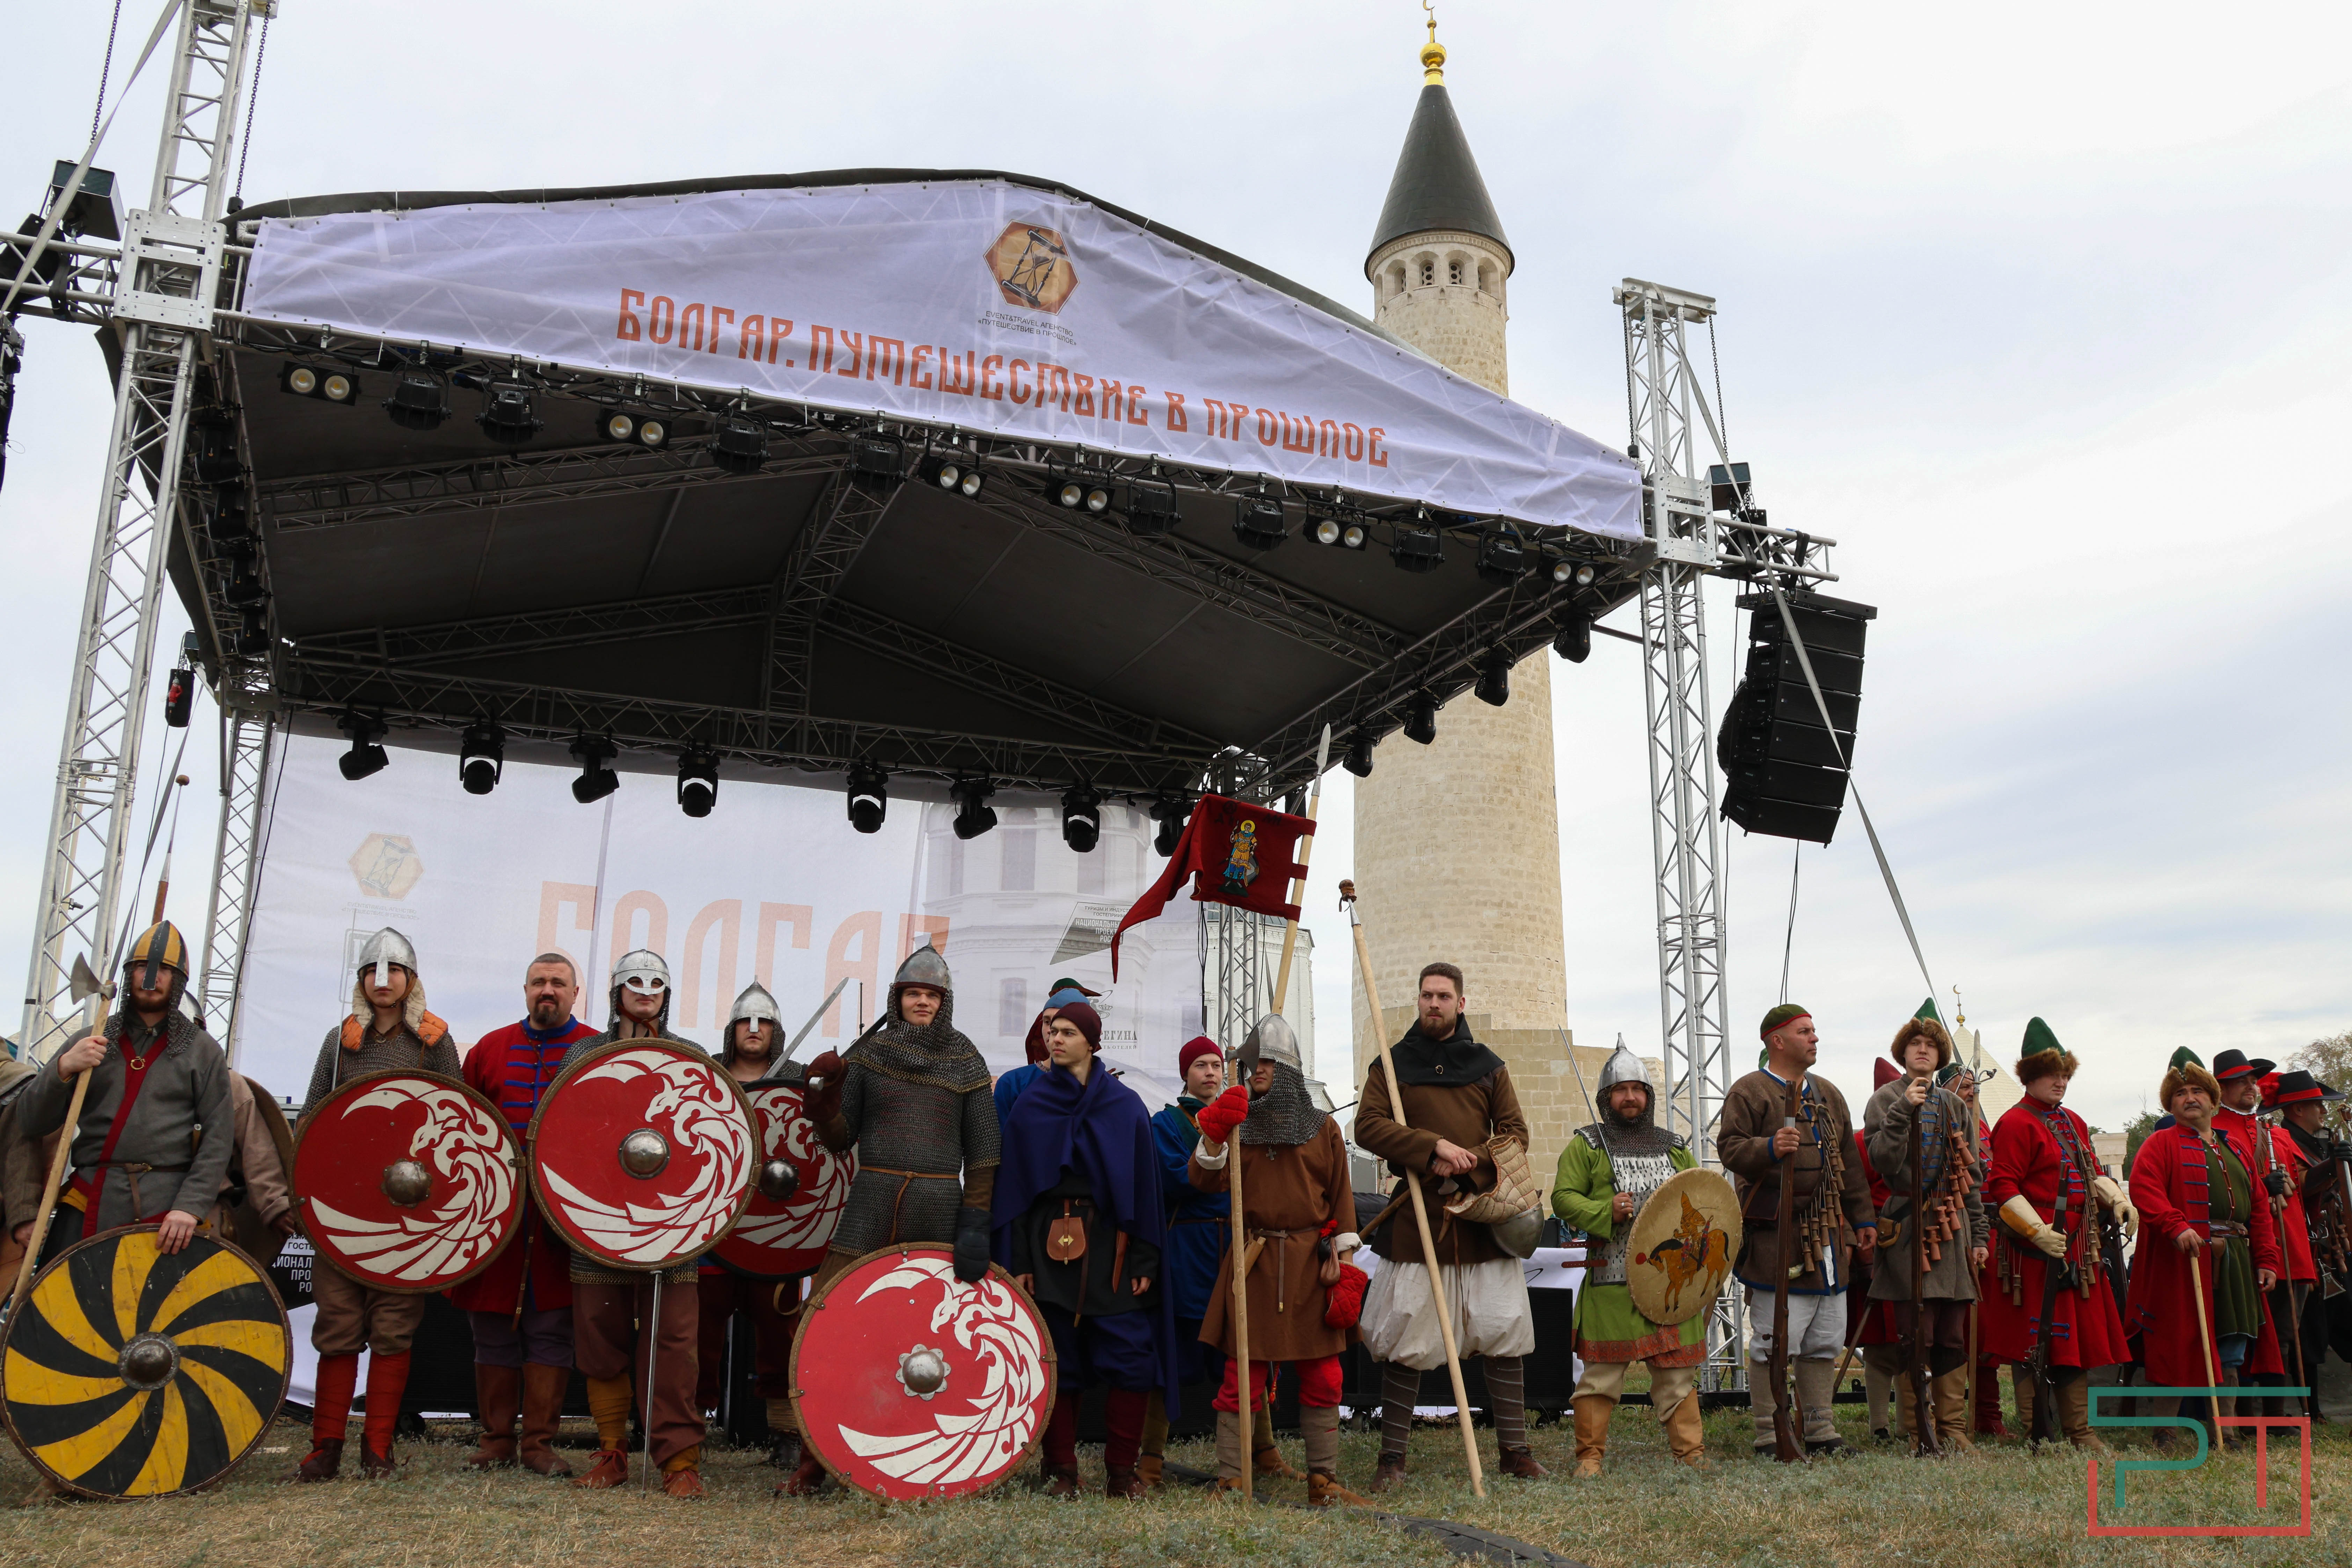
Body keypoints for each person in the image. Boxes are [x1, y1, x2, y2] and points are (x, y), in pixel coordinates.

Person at [784, 941, 1001, 1496]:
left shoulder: (966, 1061)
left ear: (944, 1001)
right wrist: (823, 1102)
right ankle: (815, 1463)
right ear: (897, 998)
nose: (922, 1002)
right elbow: (839, 1141)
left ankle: (923, 1454)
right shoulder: (871, 1056)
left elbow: (982, 1153)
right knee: (829, 1318)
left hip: (937, 1205)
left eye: (931, 994)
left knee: (932, 1332)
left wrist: (974, 1221)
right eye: (913, 993)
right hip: (872, 1198)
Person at [1353, 962, 1541, 1488]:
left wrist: (1469, 1161)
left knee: (1502, 1331)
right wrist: (1428, 1147)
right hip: (1418, 1218)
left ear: (1461, 1003)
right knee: (1406, 1333)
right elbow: (1367, 1125)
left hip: (1482, 1219)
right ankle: (1392, 1457)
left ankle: (1514, 1451)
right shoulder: (1392, 1065)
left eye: (1443, 996)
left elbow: (1514, 1133)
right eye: (1426, 996)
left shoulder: (1489, 1067)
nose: (1433, 1004)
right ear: (1418, 1001)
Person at [291, 929, 461, 1482]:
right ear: (362, 980)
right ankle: (327, 1447)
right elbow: (313, 1118)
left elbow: (456, 1124)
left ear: (410, 980)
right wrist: (304, 1189)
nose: (382, 981)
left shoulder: (434, 1043)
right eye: (371, 971)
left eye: (393, 972)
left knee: (393, 1325)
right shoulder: (340, 1043)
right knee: (338, 1323)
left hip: (408, 1208)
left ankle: (378, 1449)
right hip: (344, 1203)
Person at [994, 999, 1179, 1498]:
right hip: (1046, 1245)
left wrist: (1144, 1256)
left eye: (1068, 1031)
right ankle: (1062, 1471)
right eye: (1052, 1030)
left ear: (1091, 1041)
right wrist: (1022, 1262)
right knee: (1057, 1356)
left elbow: (1144, 1186)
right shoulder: (1032, 1105)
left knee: (1133, 1358)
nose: (1056, 1038)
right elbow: (1015, 1193)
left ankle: (1121, 1475)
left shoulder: (1123, 1105)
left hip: (1111, 1249)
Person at [1186, 1016, 1366, 1504]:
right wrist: (1215, 1136)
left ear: (1286, 1068)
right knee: (1240, 1376)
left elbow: (1342, 1203)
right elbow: (1202, 1182)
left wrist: (1345, 1272)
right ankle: (1232, 1477)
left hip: (1311, 1263)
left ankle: (1322, 1481)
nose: (1255, 1069)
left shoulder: (1322, 1128)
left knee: (1325, 1375)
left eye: (1266, 1061)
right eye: (1251, 1062)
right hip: (1253, 1261)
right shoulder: (1240, 1125)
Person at [562, 950, 709, 1497]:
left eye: (655, 983)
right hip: (599, 1215)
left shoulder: (688, 1056)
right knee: (600, 1339)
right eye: (634, 982)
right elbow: (566, 1134)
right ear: (616, 990)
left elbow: (708, 1136)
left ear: (667, 993)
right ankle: (612, 1450)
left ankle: (680, 1461)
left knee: (673, 1343)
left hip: (671, 1221)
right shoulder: (583, 1054)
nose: (645, 990)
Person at [451, 953, 599, 1477]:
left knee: (551, 1327)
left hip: (561, 1215)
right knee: (490, 1324)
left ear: (575, 993)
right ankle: (496, 1439)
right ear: (525, 989)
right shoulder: (490, 1049)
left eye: (558, 983)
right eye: (539, 981)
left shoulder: (595, 1049)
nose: (548, 990)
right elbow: (461, 1125)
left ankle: (538, 1443)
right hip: (497, 1213)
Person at [1718, 1004, 1878, 1456]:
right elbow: (1729, 1148)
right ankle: (1770, 1433)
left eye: (1814, 1031)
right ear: (1777, 1040)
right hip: (1776, 1236)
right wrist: (1768, 1147)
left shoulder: (1828, 1093)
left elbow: (1848, 1160)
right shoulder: (1749, 1091)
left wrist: (1862, 1218)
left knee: (1825, 1337)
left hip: (1828, 1233)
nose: (1814, 1038)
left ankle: (1820, 1429)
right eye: (1804, 1031)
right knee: (1773, 1339)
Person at [18, 921, 232, 1257]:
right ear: (130, 973)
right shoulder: (90, 1039)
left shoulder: (203, 1051)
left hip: (167, 1210)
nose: (153, 977)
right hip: (91, 1197)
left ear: (177, 982)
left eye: (164, 969)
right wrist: (63, 1068)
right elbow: (31, 1121)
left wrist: (190, 1206)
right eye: (144, 967)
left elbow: (218, 1138)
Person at [1548, 1041, 1708, 1475]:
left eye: (1638, 1089)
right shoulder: (1587, 1146)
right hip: (1610, 1278)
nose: (1630, 1097)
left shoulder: (1673, 1147)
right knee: (1600, 1377)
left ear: (1648, 1096)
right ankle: (1590, 1458)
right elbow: (1562, 1198)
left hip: (1668, 1279)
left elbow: (1698, 1194)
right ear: (1606, 1097)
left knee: (1675, 1375)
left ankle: (1690, 1453)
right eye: (1621, 1089)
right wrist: (1605, 1211)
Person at [2127, 1055, 2282, 1446]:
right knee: (2173, 1344)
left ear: (2213, 1100)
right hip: (2180, 1261)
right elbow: (2144, 1190)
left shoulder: (2235, 1151)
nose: (2189, 1098)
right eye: (2180, 1093)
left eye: (2197, 1090)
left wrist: (2266, 1259)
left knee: (2231, 1346)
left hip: (2234, 1258)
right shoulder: (2157, 1144)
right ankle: (2164, 1431)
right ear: (2169, 1104)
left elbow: (2260, 1208)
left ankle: (2223, 1430)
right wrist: (2175, 1225)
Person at [1142, 1034, 1268, 1489]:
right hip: (1189, 1250)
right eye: (1200, 1065)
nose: (1211, 1072)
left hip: (1237, 1247)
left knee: (1248, 1348)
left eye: (1216, 1064)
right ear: (1186, 1073)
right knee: (1173, 1351)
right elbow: (1177, 1180)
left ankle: (1263, 1452)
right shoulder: (1166, 1124)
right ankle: (1151, 1458)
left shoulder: (1247, 1121)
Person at [1864, 1012, 1990, 1452]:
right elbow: (1881, 1160)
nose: (1922, 1050)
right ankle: (1920, 1429)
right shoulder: (1884, 1099)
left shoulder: (1956, 1106)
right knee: (1916, 1333)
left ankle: (1953, 1429)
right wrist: (1905, 1109)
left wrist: (1978, 1237)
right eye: (1915, 1043)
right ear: (1903, 1053)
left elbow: (1969, 1178)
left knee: (1952, 1335)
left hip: (1951, 1231)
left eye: (1931, 1045)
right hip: (1906, 1227)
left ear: (1939, 1056)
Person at [698, 982, 809, 1468]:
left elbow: (822, 1149)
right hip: (714, 1231)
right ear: (732, 1029)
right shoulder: (708, 1081)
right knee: (696, 1337)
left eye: (764, 1022)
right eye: (746, 1020)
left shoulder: (799, 1083)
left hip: (775, 1231)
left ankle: (786, 1437)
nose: (755, 1029)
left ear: (777, 1032)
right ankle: (687, 1432)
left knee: (780, 1338)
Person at [2272, 1070, 2345, 1420]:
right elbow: (2302, 1186)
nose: (2323, 1111)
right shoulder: (2282, 1139)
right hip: (2306, 1245)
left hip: (2331, 1244)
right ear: (2297, 1108)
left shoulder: (2316, 1138)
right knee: (2307, 1333)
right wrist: (2334, 1163)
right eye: (2317, 1104)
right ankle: (2309, 1409)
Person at [1850, 1059, 1904, 1442]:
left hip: (1919, 1244)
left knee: (1912, 1338)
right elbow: (1855, 1196)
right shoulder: (1859, 1141)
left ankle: (1911, 1422)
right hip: (1877, 1247)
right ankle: (1878, 1425)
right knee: (1878, 1343)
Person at [994, 983, 1089, 1125]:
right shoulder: (1013, 1084)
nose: (1051, 1030)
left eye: (1061, 1021)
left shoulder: (1102, 1088)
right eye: (1047, 1022)